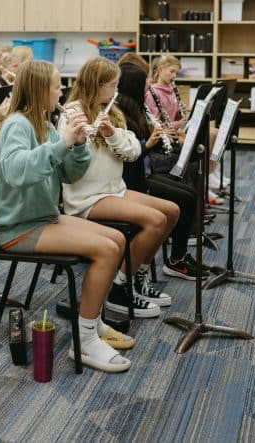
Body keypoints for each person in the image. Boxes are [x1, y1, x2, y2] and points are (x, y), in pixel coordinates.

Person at [0, 60, 133, 373]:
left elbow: (70, 175)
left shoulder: (43, 124)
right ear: (39, 89)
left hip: (42, 217)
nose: (62, 92)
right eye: (57, 86)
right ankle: (83, 340)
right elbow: (18, 172)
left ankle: (92, 322)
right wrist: (64, 143)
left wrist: (80, 144)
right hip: (19, 226)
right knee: (107, 249)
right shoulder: (17, 124)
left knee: (116, 238)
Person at [61, 57, 178, 319]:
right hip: (87, 197)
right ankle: (120, 289)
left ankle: (136, 277)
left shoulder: (113, 112)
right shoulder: (72, 112)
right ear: (96, 85)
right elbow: (66, 159)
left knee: (171, 211)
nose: (116, 91)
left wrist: (111, 133)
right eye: (112, 85)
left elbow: (134, 152)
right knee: (155, 220)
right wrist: (83, 139)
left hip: (115, 189)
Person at [116, 63, 207, 281]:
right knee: (184, 197)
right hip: (133, 177)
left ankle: (179, 256)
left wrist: (156, 136)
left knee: (187, 191)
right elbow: (130, 154)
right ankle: (176, 260)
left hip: (143, 168)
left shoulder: (136, 108)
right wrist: (149, 142)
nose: (149, 84)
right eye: (145, 81)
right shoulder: (122, 113)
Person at [146, 55, 223, 203]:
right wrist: (178, 124)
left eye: (176, 73)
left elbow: (174, 115)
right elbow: (154, 124)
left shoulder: (171, 89)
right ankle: (204, 183)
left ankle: (208, 178)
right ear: (160, 70)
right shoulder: (152, 93)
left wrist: (184, 114)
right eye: (172, 72)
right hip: (166, 135)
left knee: (214, 133)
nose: (174, 76)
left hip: (176, 130)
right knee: (206, 139)